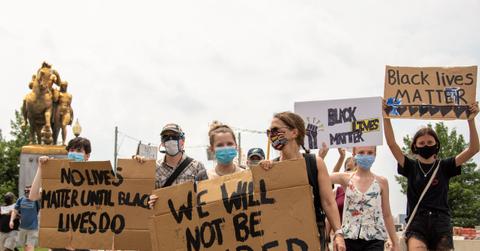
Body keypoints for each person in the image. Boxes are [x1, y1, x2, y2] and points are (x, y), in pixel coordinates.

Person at [384, 102, 479, 251]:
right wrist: (386, 116)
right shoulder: (410, 166)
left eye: (429, 142)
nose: (425, 145)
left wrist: (470, 119)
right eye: (421, 143)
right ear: (414, 146)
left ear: (436, 145)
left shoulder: (445, 166)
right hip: (416, 223)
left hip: (441, 223)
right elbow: (391, 144)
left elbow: (473, 149)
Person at [259, 111, 346, 251]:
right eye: (268, 131)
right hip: (281, 237)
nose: (271, 135)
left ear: (294, 133)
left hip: (312, 235)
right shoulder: (271, 167)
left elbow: (328, 202)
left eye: (276, 130)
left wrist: (338, 234)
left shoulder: (314, 163)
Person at [329, 146, 399, 251]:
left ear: (375, 154)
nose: (366, 156)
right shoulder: (346, 178)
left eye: (370, 152)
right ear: (354, 154)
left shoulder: (382, 182)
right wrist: (324, 156)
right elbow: (324, 177)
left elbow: (387, 214)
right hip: (349, 238)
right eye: (361, 152)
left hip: (374, 238)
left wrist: (395, 242)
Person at [29, 137, 92, 251]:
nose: (73, 153)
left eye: (78, 151)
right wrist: (40, 168)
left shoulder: (95, 181)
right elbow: (33, 196)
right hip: (58, 244)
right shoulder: (57, 180)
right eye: (71, 150)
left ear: (87, 156)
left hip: (82, 244)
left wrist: (135, 164)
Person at [142, 123, 208, 208]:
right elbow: (144, 197)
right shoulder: (154, 168)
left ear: (183, 140)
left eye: (175, 136)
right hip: (164, 219)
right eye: (166, 136)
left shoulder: (197, 167)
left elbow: (207, 196)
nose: (170, 139)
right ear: (162, 143)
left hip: (191, 218)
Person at [9, 186, 39, 251]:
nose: (27, 192)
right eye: (25, 191)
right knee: (23, 246)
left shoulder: (36, 200)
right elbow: (15, 211)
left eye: (29, 191)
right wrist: (11, 220)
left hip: (33, 228)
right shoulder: (20, 199)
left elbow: (38, 210)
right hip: (22, 227)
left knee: (30, 246)